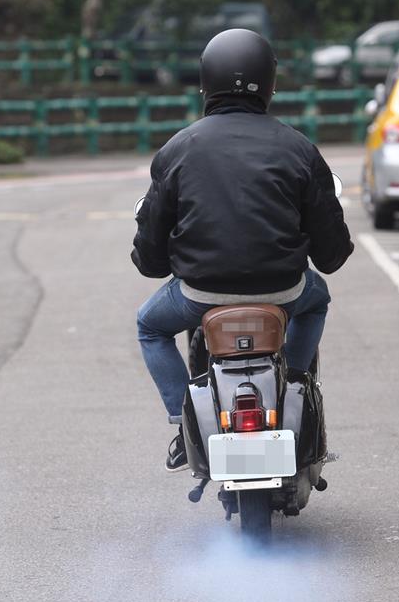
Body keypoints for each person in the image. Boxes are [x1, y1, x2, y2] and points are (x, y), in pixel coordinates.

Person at [131, 28, 353, 472]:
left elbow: (150, 258)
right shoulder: (299, 148)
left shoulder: (177, 149)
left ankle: (184, 424)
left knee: (150, 327)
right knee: (317, 300)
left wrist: (159, 257)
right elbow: (331, 255)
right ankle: (293, 380)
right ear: (270, 85)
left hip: (199, 294)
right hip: (284, 290)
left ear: (204, 85)